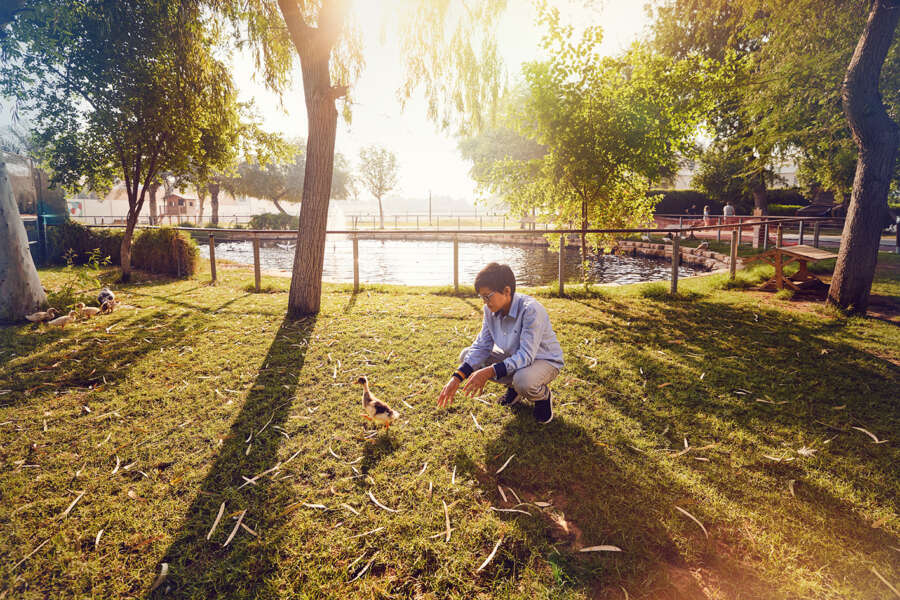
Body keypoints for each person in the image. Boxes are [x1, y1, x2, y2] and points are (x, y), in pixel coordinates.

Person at [437, 263, 564, 424]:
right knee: (466, 356)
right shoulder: (490, 310)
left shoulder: (531, 310)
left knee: (523, 381)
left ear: (507, 291)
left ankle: (542, 396)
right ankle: (514, 389)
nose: (484, 302)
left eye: (487, 296)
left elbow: (526, 356)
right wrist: (456, 378)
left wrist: (488, 372)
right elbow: (482, 346)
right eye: (481, 297)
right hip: (514, 356)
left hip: (544, 360)